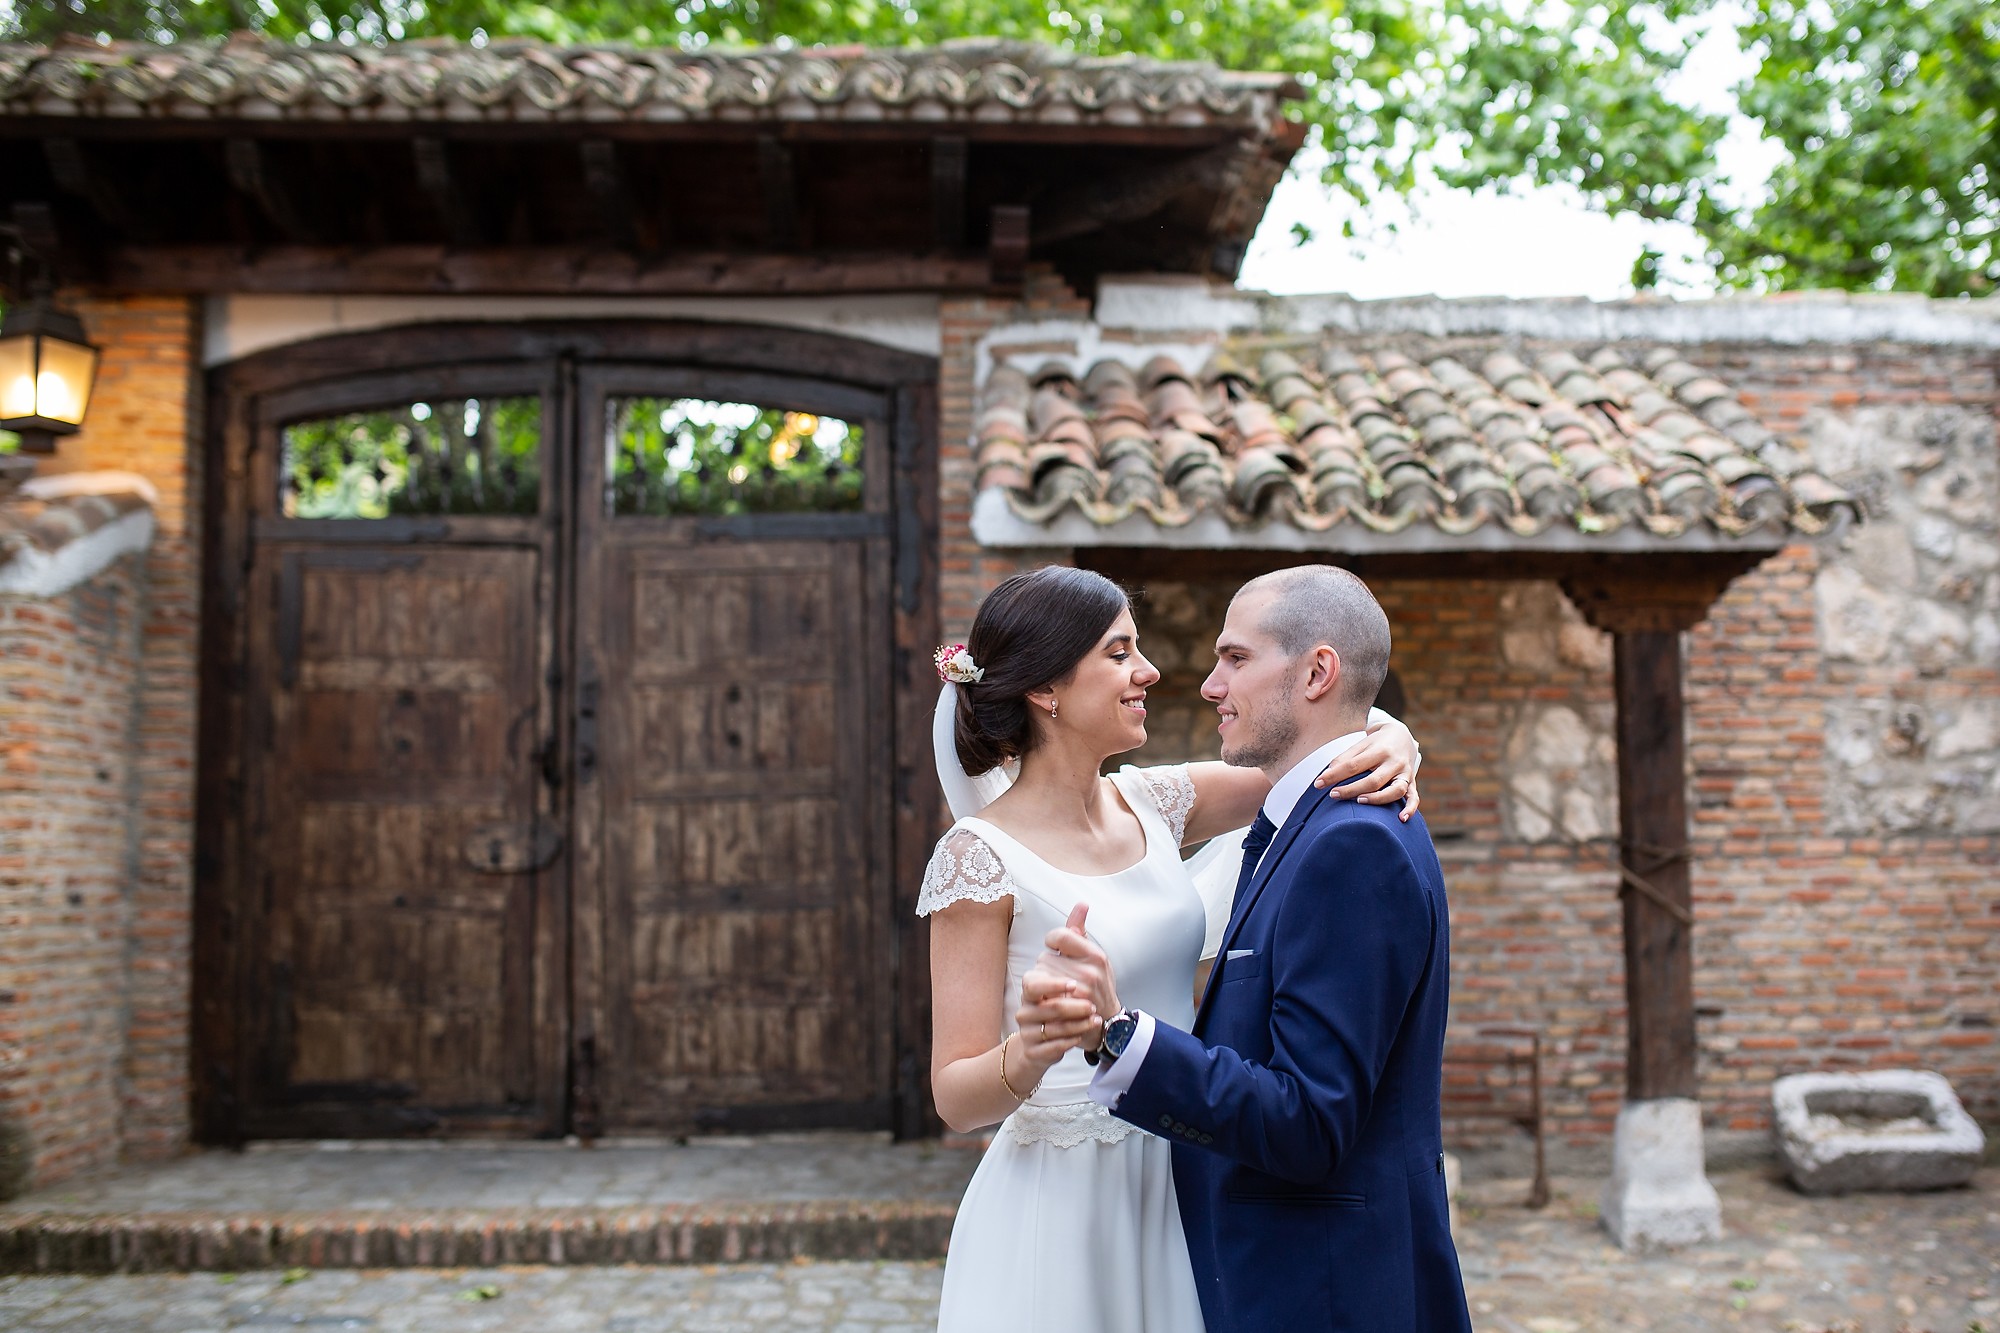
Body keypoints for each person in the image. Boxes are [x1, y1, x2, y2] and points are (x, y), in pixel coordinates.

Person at [918, 565, 1423, 1333]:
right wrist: (1030, 1051)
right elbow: (954, 1095)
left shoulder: (1154, 800)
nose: (1149, 671)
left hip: (1189, 1160)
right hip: (1068, 1201)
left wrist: (1396, 738)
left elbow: (1316, 748)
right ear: (1046, 689)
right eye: (1120, 652)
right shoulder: (976, 858)